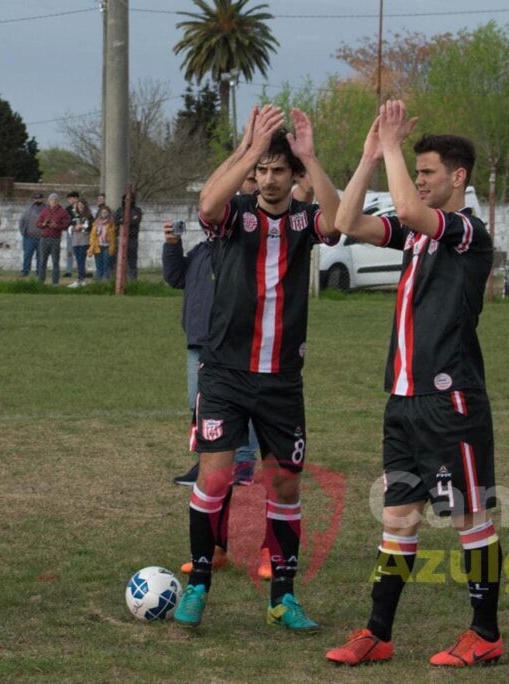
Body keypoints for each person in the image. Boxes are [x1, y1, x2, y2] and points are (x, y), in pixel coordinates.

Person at [325, 101, 503, 667]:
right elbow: (346, 223)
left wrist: (395, 149)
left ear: (458, 178)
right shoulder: (418, 235)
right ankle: (378, 632)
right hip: (403, 401)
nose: (419, 181)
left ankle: (486, 633)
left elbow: (405, 205)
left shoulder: (467, 232)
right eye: (417, 171)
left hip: (450, 402)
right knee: (398, 518)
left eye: (428, 172)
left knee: (471, 520)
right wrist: (369, 156)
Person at [171, 104, 340, 631]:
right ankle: (199, 583)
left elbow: (337, 220)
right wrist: (246, 146)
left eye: (279, 170)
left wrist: (312, 158)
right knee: (217, 475)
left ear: (293, 177)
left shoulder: (303, 220)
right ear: (253, 174)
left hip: (282, 380)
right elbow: (206, 200)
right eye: (262, 170)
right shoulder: (234, 217)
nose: (269, 178)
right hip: (224, 372)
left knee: (285, 485)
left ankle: (282, 597)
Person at [162, 217, 268, 580]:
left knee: (246, 416)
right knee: (200, 407)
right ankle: (209, 459)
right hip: (198, 344)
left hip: (232, 349)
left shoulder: (238, 251)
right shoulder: (200, 252)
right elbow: (174, 278)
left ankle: (243, 458)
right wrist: (172, 246)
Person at [37, 193, 70, 284]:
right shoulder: (44, 211)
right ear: (49, 201)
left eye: (55, 200)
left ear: (58, 201)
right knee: (42, 260)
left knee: (55, 261)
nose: (54, 201)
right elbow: (38, 223)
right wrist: (43, 224)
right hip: (44, 238)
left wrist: (56, 226)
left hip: (55, 239)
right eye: (52, 200)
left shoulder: (62, 212)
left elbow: (66, 225)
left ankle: (55, 282)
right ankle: (40, 281)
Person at [114, 192, 143, 280]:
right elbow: (117, 221)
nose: (127, 201)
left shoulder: (137, 210)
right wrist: (126, 220)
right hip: (121, 237)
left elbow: (136, 221)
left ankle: (133, 280)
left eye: (129, 199)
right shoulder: (120, 210)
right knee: (120, 260)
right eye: (125, 199)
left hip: (132, 238)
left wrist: (125, 220)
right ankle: (121, 279)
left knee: (132, 260)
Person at [19, 193, 45, 277]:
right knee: (27, 255)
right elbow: (21, 221)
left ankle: (39, 272)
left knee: (40, 257)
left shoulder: (47, 209)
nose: (38, 200)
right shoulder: (28, 209)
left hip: (42, 238)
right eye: (36, 198)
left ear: (42, 199)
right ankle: (25, 271)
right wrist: (23, 232)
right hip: (29, 238)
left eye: (39, 198)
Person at [68, 199, 93, 287]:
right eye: (79, 205)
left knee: (81, 260)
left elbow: (89, 226)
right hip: (75, 241)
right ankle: (80, 279)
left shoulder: (89, 216)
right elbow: (69, 226)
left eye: (82, 205)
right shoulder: (75, 216)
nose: (80, 207)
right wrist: (74, 228)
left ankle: (82, 279)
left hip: (84, 241)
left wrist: (81, 226)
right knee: (78, 260)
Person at [88, 205, 116, 281]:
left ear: (109, 213)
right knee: (98, 266)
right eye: (102, 212)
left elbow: (112, 235)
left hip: (107, 246)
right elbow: (92, 235)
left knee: (106, 265)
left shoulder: (111, 223)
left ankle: (105, 282)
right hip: (98, 246)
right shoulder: (96, 223)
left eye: (106, 212)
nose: (104, 214)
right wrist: (92, 244)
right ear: (100, 213)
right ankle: (98, 283)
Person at [64, 191, 80, 277]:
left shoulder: (81, 207)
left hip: (80, 233)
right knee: (69, 251)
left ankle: (81, 270)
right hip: (70, 232)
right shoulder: (67, 209)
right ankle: (68, 270)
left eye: (70, 198)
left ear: (76, 198)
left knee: (80, 251)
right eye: (68, 199)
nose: (69, 200)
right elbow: (65, 220)